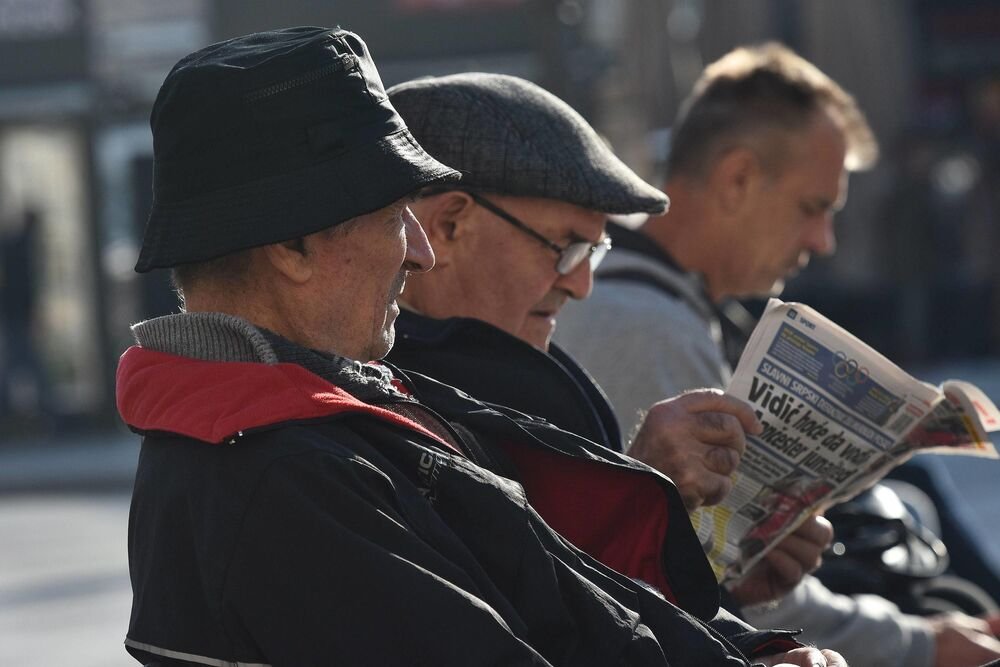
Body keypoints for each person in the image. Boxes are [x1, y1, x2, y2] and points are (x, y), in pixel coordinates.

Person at [117, 27, 840, 667]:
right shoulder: (279, 472)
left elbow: (565, 599)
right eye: (396, 215)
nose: (421, 251)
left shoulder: (316, 418)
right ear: (291, 244)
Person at [554, 42, 1000, 667]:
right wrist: (927, 643)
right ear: (737, 178)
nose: (822, 241)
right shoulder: (647, 327)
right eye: (811, 209)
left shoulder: (663, 301)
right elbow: (721, 605)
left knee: (911, 485)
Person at [385, 72, 835, 618]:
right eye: (567, 247)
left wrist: (727, 592)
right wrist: (640, 490)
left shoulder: (484, 375)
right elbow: (516, 623)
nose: (581, 285)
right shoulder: (386, 404)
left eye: (593, 252)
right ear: (448, 226)